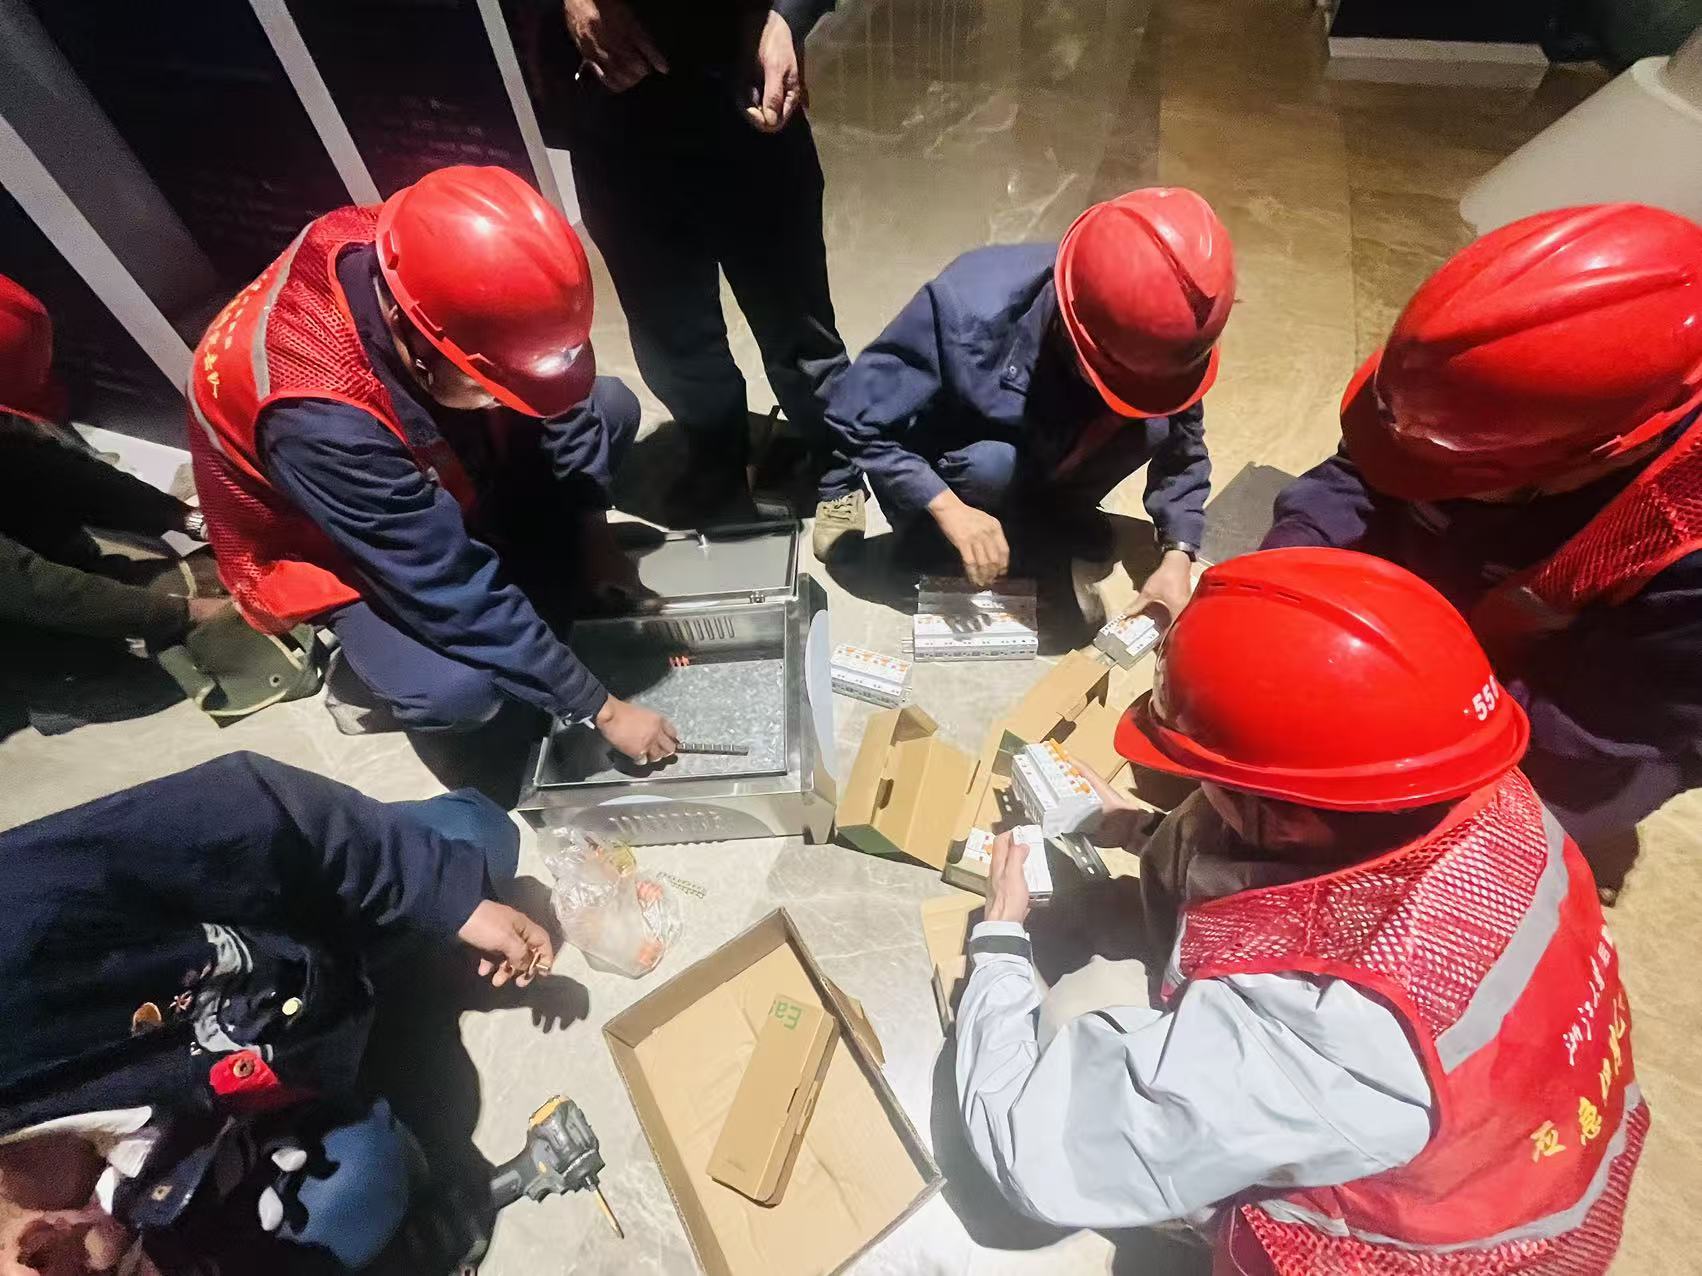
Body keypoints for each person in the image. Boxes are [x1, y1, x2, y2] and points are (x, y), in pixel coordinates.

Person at [956, 548, 1646, 1273]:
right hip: (1527, 1158)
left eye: (1210, 781)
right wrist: (1141, 829)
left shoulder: (1331, 1030)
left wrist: (999, 941)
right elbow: (1279, 853)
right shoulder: (1485, 790)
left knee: (1081, 1001)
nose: (1197, 793)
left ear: (1284, 819)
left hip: (1429, 1249)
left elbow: (1035, 1152)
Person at [1262, 203, 1702, 887]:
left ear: (1600, 457)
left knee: (1435, 843)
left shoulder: (1683, 562)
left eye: (1461, 477)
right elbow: (1359, 476)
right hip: (1480, 618)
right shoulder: (1469, 400)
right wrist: (1282, 578)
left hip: (1583, 723)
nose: (1428, 483)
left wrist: (1386, 718)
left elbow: (1596, 729)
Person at [186, 164, 678, 760]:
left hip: (417, 460)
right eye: (489, 385)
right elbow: (446, 583)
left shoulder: (435, 255)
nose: (505, 399)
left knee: (609, 405)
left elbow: (561, 403)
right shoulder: (316, 420)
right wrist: (600, 708)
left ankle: (516, 555)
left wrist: (593, 535)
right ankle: (370, 667)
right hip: (329, 539)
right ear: (410, 334)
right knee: (458, 691)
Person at [0, 752, 554, 1273]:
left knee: (484, 837)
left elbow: (243, 807)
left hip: (290, 934)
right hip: (272, 1082)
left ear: (36, 1248)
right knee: (369, 1182)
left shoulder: (16, 943)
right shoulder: (60, 1229)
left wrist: (446, 894)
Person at [815, 188, 1234, 614]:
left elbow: (1183, 448)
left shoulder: (1167, 339)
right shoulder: (966, 309)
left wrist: (1179, 554)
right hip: (961, 462)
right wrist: (948, 508)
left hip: (1049, 447)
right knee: (991, 467)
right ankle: (941, 537)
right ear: (1072, 330)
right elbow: (852, 417)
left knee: (1152, 426)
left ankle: (1050, 514)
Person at [533, 0, 855, 529]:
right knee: (670, 335)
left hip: (741, 82)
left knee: (799, 325)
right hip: (615, 113)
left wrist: (786, 17)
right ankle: (716, 452)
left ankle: (836, 459)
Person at [0, 276, 228, 734]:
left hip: (39, 575)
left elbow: (64, 474)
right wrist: (183, 614)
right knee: (196, 658)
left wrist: (185, 518)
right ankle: (51, 687)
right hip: (17, 623)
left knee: (223, 576)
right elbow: (28, 585)